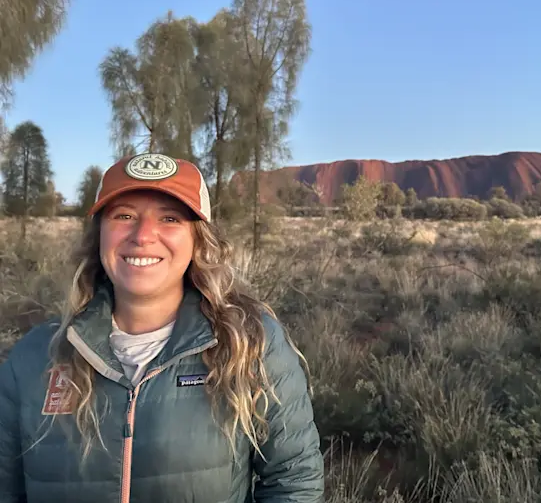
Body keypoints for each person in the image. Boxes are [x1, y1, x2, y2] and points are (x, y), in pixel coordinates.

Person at [0, 152, 325, 502]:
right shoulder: (33, 360)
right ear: (99, 236)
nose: (143, 236)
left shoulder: (251, 343)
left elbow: (294, 484)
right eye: (124, 215)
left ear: (198, 240)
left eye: (170, 218)